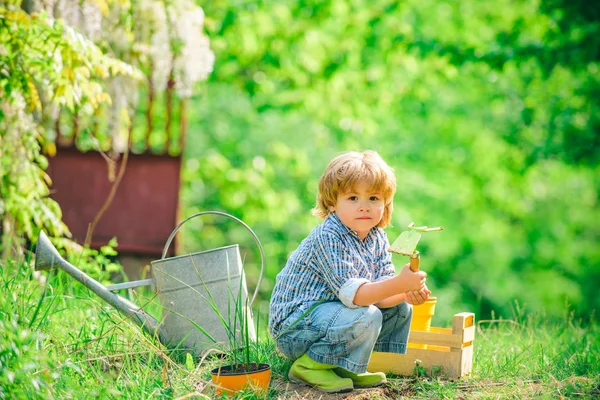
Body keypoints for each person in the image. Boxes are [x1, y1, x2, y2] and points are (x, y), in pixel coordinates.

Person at [268, 150, 430, 393]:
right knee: (368, 315)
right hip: (296, 325)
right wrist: (399, 284)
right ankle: (308, 366)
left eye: (373, 198)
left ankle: (345, 365)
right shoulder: (329, 235)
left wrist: (405, 292)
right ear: (333, 203)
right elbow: (356, 296)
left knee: (399, 309)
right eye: (353, 198)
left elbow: (382, 292)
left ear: (385, 203)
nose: (364, 207)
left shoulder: (377, 236)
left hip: (333, 316)